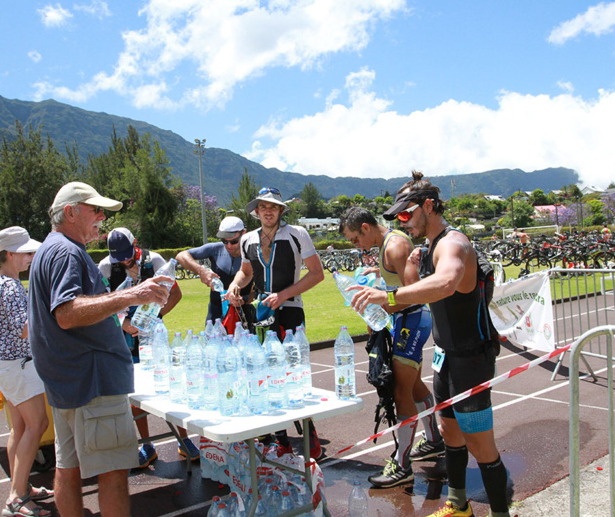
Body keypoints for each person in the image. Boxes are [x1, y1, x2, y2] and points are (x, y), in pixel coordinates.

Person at [350, 172, 510, 517]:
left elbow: (447, 282)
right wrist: (378, 296)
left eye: (406, 215)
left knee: (481, 447)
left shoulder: (454, 243)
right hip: (446, 358)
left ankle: (500, 513)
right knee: (448, 433)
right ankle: (458, 504)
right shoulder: (427, 249)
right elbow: (416, 295)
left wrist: (388, 293)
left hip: (472, 361)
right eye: (398, 218)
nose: (402, 223)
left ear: (428, 206)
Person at [28, 182, 171, 517]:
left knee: (68, 467)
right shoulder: (66, 251)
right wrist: (132, 296)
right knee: (113, 472)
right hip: (92, 384)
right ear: (70, 212)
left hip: (69, 384)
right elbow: (66, 313)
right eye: (95, 210)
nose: (101, 217)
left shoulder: (51, 248)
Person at [339, 207, 444, 488]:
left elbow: (416, 293)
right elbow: (399, 282)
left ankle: (402, 464)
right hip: (405, 319)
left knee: (400, 389)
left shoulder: (395, 246)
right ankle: (434, 441)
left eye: (354, 239)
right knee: (414, 385)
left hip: (413, 318)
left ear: (365, 227)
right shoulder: (388, 244)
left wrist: (380, 301)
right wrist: (380, 277)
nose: (355, 246)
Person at [226, 187, 325, 459]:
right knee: (266, 374)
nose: (268, 211)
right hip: (261, 314)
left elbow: (317, 274)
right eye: (263, 206)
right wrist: (235, 286)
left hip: (291, 310)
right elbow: (246, 273)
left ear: (281, 210)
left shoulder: (297, 234)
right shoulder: (247, 240)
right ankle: (281, 439)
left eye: (273, 206)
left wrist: (283, 295)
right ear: (256, 211)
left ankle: (309, 432)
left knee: (294, 373)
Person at [97, 227, 197, 468]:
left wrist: (155, 317)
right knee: (134, 394)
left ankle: (184, 442)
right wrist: (124, 323)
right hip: (125, 337)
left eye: (127, 254)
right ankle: (147, 444)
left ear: (136, 243)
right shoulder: (105, 268)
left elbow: (176, 293)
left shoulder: (155, 260)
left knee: (169, 385)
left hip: (155, 336)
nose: (123, 260)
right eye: (118, 256)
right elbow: (102, 305)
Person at [0, 226, 53, 517]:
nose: (31, 257)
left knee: (20, 428)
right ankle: (15, 499)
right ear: (10, 254)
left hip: (8, 366)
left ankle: (21, 488)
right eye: (26, 253)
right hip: (20, 367)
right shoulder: (9, 286)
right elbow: (25, 329)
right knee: (38, 426)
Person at [176, 216, 255, 328]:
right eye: (224, 241)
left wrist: (245, 299)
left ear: (244, 233)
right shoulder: (215, 249)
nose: (229, 246)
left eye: (234, 241)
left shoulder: (253, 253)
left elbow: (259, 293)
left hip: (243, 313)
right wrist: (201, 271)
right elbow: (181, 255)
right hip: (215, 312)